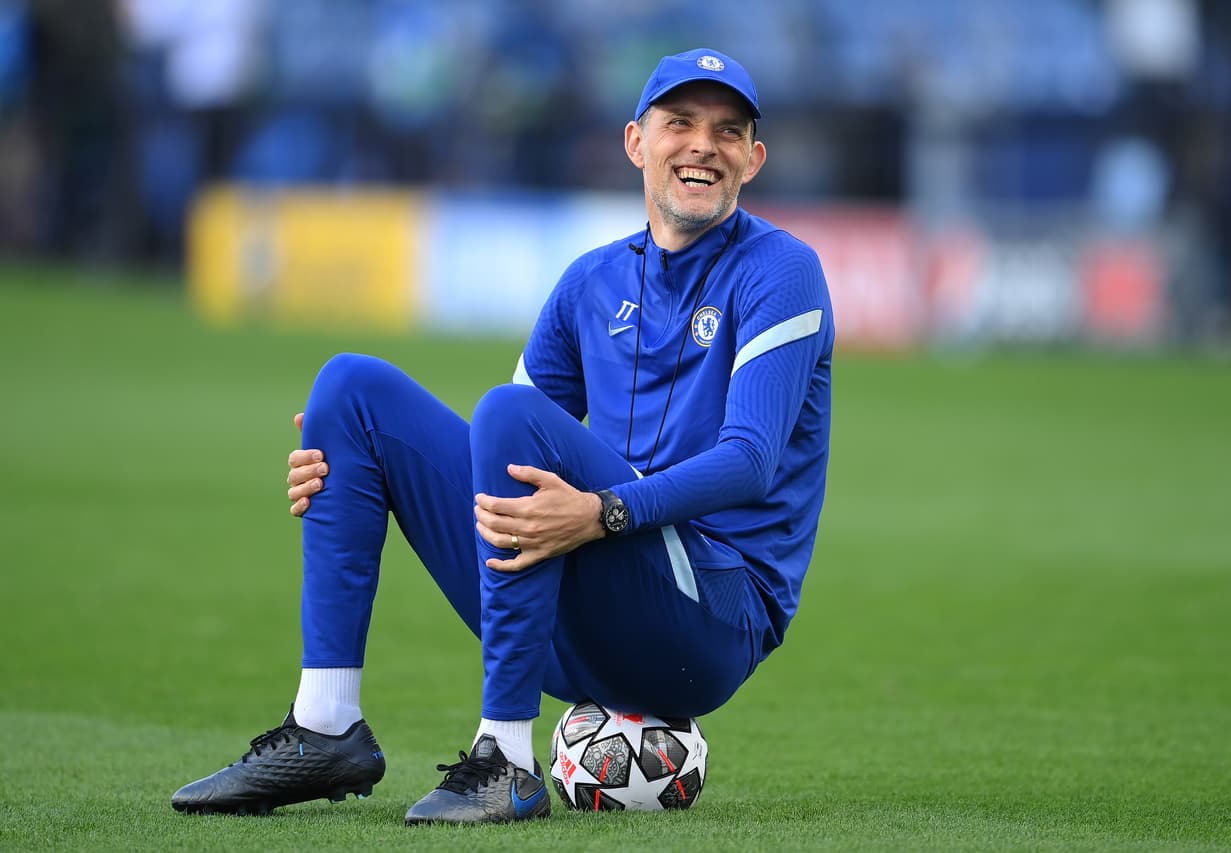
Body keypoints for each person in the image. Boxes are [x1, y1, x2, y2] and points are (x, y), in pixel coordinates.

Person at [171, 47, 834, 825]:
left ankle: (507, 761)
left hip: (714, 615)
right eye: (679, 123)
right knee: (351, 391)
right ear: (635, 142)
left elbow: (751, 459)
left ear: (752, 159)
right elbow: (498, 459)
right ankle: (325, 726)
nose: (702, 146)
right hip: (587, 611)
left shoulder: (782, 269)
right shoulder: (591, 280)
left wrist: (602, 512)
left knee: (507, 413)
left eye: (727, 132)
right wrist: (352, 462)